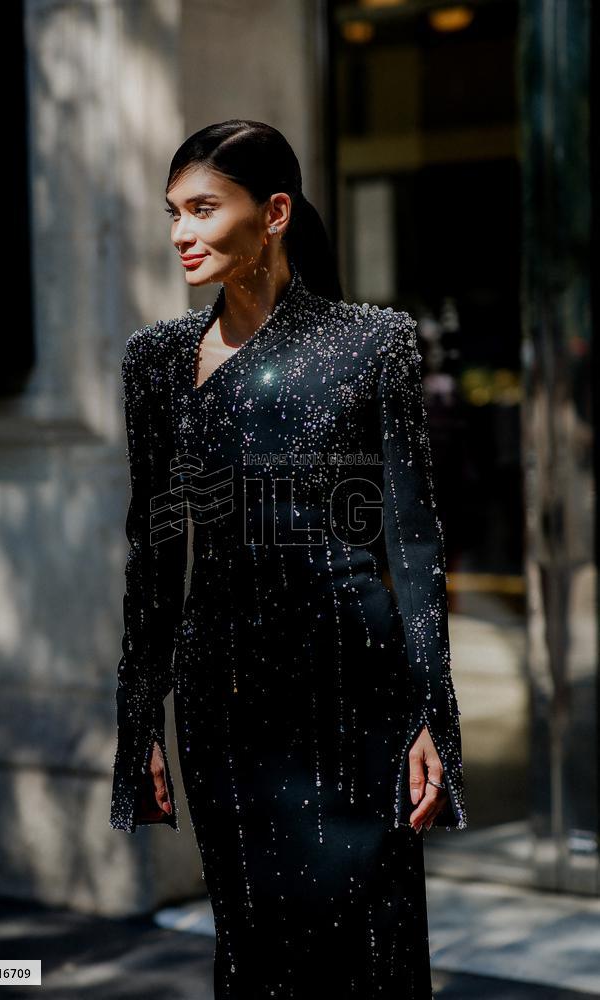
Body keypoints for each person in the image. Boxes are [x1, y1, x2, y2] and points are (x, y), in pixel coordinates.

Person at [110, 119, 467, 998]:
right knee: (255, 944)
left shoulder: (372, 342)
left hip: (353, 686)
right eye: (172, 212)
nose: (180, 233)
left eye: (202, 208)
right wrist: (138, 718)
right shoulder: (156, 361)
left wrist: (432, 713)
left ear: (272, 213)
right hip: (222, 698)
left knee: (367, 950)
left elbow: (414, 545)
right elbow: (154, 555)